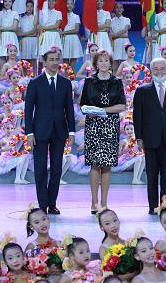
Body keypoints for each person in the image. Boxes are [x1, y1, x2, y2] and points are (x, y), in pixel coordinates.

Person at [25, 48, 76, 214]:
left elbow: (69, 109)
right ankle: (42, 204)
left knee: (56, 170)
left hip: (59, 132)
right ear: (45, 62)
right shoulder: (35, 83)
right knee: (40, 170)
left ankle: (52, 203)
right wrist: (29, 133)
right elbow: (28, 110)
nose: (55, 63)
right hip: (39, 131)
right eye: (51, 59)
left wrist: (72, 132)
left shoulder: (65, 83)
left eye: (57, 59)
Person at [133, 58, 166, 215]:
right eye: (156, 69)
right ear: (151, 71)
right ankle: (152, 207)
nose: (159, 71)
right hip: (150, 140)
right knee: (151, 176)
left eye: (162, 68)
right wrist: (139, 138)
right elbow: (138, 116)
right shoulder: (142, 90)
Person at [80, 50, 126, 213]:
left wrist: (102, 110)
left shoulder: (116, 82)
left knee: (106, 166)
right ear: (96, 64)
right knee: (94, 164)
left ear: (110, 63)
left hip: (110, 126)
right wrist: (90, 111)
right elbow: (83, 105)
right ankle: (94, 202)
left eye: (107, 61)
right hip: (93, 125)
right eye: (101, 61)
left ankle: (104, 203)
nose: (104, 63)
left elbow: (122, 106)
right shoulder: (89, 82)